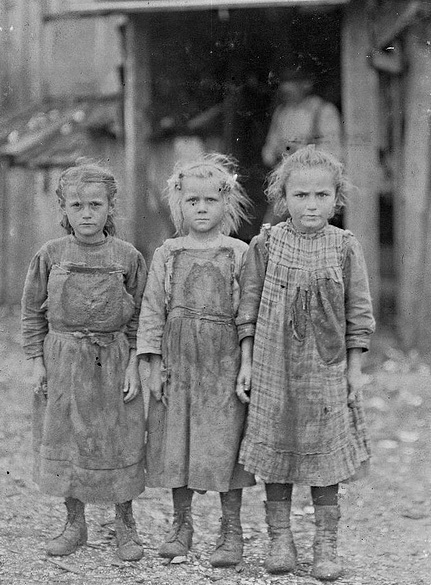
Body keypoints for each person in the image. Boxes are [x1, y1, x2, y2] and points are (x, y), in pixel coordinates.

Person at [236, 145, 375, 580]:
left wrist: (354, 370)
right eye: (300, 196)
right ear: (283, 198)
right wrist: (246, 362)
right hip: (273, 365)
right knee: (276, 448)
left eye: (321, 195)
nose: (311, 205)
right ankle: (280, 538)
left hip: (326, 368)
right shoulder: (268, 242)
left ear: (336, 199)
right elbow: (248, 307)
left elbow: (359, 313)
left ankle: (325, 543)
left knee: (325, 455)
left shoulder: (345, 246)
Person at [21, 161, 147, 561]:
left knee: (118, 439)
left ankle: (125, 525)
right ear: (64, 209)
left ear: (111, 207)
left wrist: (134, 367)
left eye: (96, 204)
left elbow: (143, 315)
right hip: (63, 360)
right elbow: (31, 313)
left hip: (113, 359)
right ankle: (74, 524)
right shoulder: (50, 254)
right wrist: (38, 362)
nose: (87, 213)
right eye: (77, 205)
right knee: (66, 438)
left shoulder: (128, 256)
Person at [137, 153, 255, 567]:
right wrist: (151, 363)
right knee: (178, 442)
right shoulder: (167, 253)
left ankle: (231, 529)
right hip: (178, 361)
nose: (201, 208)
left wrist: (246, 362)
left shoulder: (240, 252)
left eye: (210, 200)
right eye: (192, 201)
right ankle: (181, 525)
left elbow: (248, 314)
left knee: (225, 442)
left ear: (227, 203)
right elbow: (152, 309)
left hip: (222, 362)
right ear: (179, 204)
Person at [261, 66, 343, 226]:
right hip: (287, 184)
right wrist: (279, 152)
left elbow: (335, 153)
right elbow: (268, 152)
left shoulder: (324, 111)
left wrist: (303, 153)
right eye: (284, 83)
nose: (286, 88)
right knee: (271, 231)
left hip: (316, 185)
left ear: (306, 84)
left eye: (291, 82)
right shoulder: (282, 112)